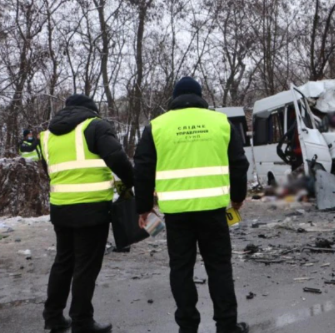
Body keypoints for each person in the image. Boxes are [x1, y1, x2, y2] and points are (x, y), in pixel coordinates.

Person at [134, 77, 250, 333]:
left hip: (177, 215)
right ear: (200, 96)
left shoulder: (157, 126)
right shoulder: (221, 122)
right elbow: (239, 163)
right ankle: (227, 326)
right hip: (214, 212)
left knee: (181, 269)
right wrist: (238, 197)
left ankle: (187, 327)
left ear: (174, 99)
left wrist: (143, 207)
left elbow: (142, 169)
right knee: (219, 267)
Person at [39, 95, 134, 333]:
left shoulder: (47, 135)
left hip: (60, 207)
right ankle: (82, 321)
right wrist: (132, 182)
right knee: (86, 266)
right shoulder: (96, 126)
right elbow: (117, 159)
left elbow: (49, 171)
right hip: (91, 209)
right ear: (91, 110)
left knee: (63, 262)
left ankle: (53, 318)